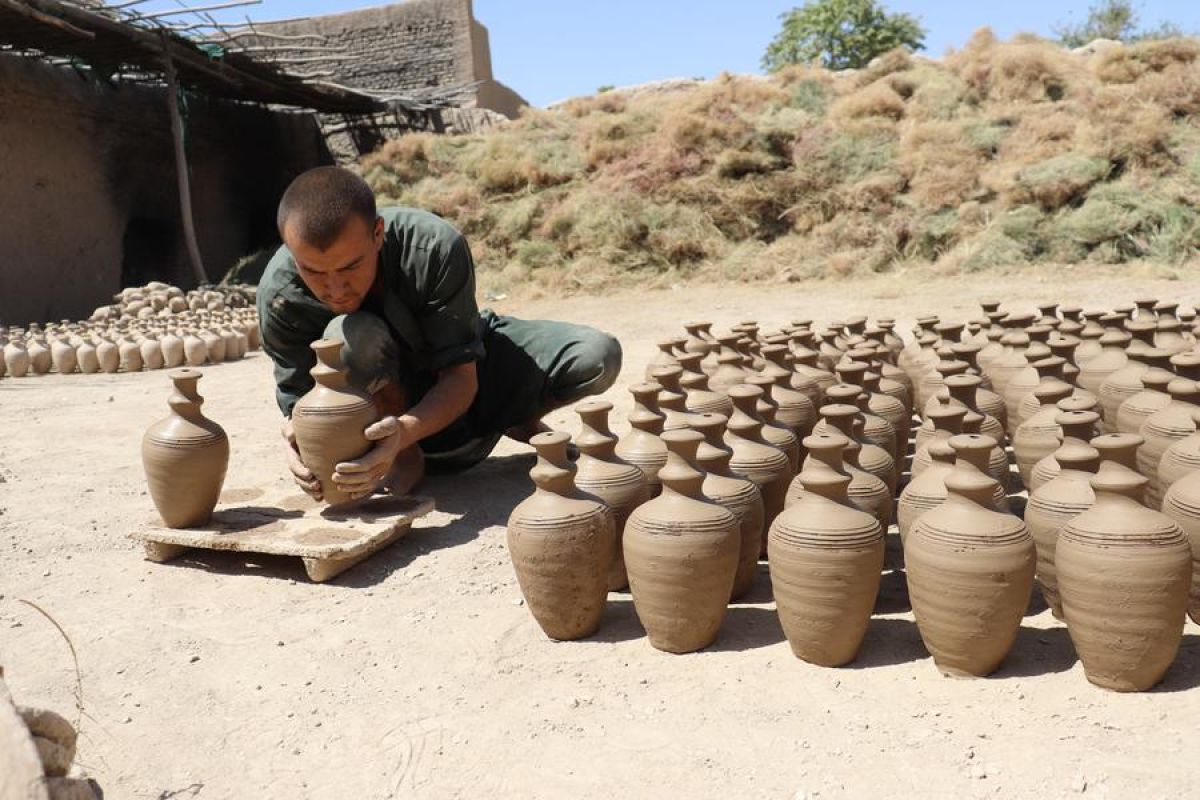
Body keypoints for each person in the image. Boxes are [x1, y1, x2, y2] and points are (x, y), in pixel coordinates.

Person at [257, 166, 622, 501]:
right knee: (347, 337)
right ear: (291, 252)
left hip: (456, 383)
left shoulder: (431, 246)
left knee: (597, 356)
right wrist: (297, 441)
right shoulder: (280, 297)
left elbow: (460, 378)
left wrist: (403, 430)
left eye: (351, 266)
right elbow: (298, 401)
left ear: (378, 234)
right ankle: (406, 456)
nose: (335, 288)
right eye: (314, 272)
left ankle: (511, 416)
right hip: (377, 431)